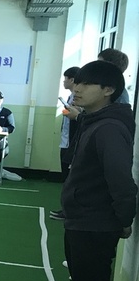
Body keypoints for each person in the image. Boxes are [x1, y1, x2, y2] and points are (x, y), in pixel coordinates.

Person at [52, 60, 137, 281]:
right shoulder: (94, 121)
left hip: (95, 224)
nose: (76, 89)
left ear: (108, 90)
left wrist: (123, 220)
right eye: (77, 84)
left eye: (85, 84)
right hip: (81, 220)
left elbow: (121, 180)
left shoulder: (110, 128)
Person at [49, 67, 81, 221]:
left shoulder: (78, 97)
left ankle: (70, 212)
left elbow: (80, 117)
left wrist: (72, 113)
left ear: (72, 80)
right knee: (66, 178)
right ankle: (67, 209)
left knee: (71, 179)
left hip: (73, 143)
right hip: (66, 141)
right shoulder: (71, 96)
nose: (63, 81)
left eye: (65, 78)